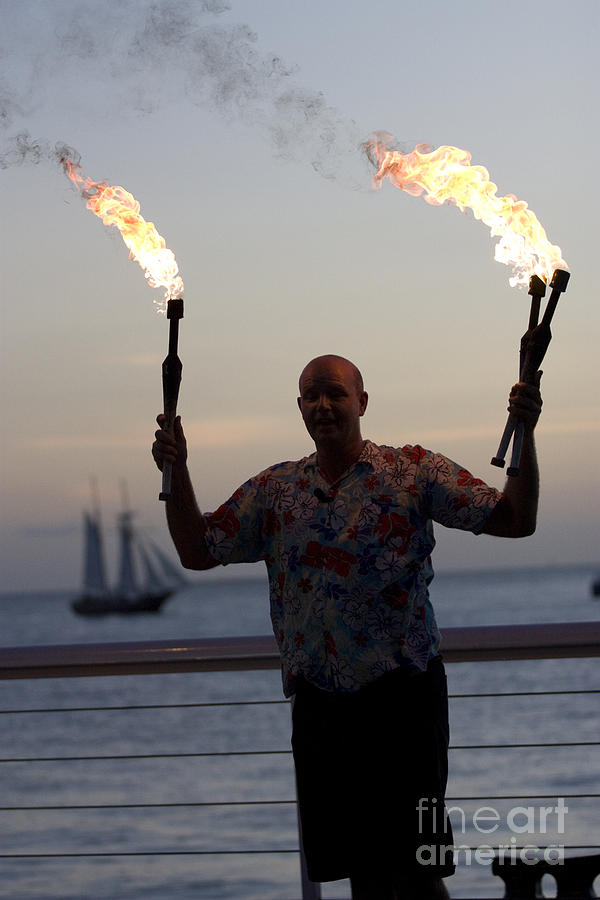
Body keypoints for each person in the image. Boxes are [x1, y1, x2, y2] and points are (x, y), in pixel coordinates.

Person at [152, 354, 542, 900]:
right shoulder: (276, 490)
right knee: (362, 874)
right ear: (300, 409)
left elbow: (514, 520)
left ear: (362, 401)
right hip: (322, 709)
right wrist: (179, 468)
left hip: (403, 703)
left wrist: (523, 432)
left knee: (417, 874)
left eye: (335, 393)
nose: (323, 405)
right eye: (311, 396)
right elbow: (197, 549)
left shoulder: (414, 471)